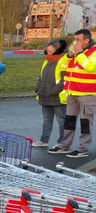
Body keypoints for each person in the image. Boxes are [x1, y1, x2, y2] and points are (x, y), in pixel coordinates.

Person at [49, 29, 96, 158]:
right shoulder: (75, 53)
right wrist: (69, 55)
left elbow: (91, 67)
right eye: (75, 40)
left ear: (87, 40)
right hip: (72, 92)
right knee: (69, 120)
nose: (76, 43)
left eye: (79, 40)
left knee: (86, 122)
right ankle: (65, 145)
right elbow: (62, 65)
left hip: (87, 93)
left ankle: (83, 148)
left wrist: (79, 53)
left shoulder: (93, 52)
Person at [33, 39, 68, 147]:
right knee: (47, 120)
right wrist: (38, 88)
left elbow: (64, 81)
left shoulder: (63, 62)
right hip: (45, 97)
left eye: (51, 51)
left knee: (61, 121)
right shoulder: (46, 61)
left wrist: (52, 92)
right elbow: (41, 77)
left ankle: (63, 143)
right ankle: (44, 140)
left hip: (58, 98)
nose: (48, 53)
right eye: (47, 50)